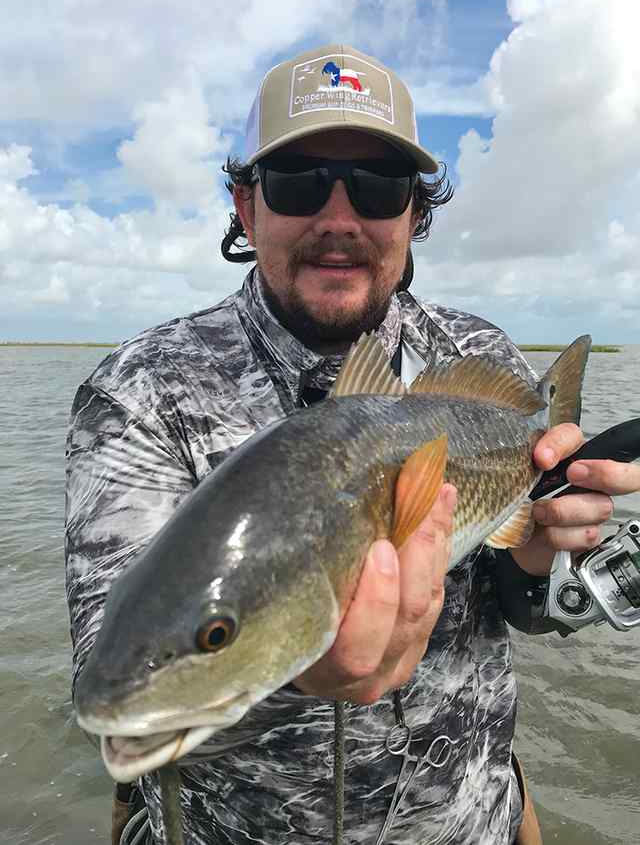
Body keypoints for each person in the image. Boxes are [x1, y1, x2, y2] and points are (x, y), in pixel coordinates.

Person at [65, 44, 640, 845]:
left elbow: (518, 605)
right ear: (245, 205)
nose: (339, 219)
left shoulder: (478, 350)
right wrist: (301, 670)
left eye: (377, 186)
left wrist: (541, 554)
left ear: (415, 211)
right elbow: (112, 665)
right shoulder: (139, 390)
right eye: (299, 181)